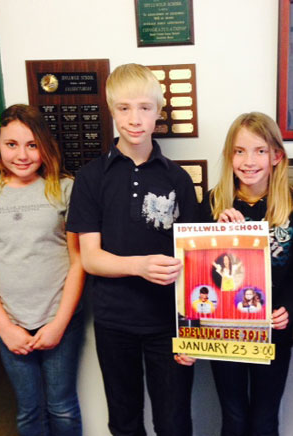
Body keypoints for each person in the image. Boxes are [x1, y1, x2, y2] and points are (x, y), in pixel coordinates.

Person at [66, 63, 197, 436]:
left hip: (169, 323)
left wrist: (195, 330)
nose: (134, 118)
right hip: (114, 321)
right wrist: (139, 266)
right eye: (124, 108)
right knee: (123, 422)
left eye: (144, 107)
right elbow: (89, 257)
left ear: (159, 111)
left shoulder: (177, 178)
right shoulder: (91, 178)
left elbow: (196, 256)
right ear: (111, 110)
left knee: (174, 422)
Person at [183, 112, 293, 436]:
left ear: (276, 156)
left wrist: (290, 309)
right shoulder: (214, 204)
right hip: (225, 329)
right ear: (229, 156)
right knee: (234, 417)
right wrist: (220, 233)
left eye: (259, 150)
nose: (249, 160)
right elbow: (196, 274)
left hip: (272, 331)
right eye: (239, 151)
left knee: (264, 419)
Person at [0, 104, 85, 436]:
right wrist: (4, 327)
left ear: (45, 145)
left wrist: (59, 323)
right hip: (10, 321)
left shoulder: (66, 188)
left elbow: (78, 262)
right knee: (29, 411)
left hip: (59, 319)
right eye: (11, 144)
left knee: (62, 407)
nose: (22, 155)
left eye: (32, 144)